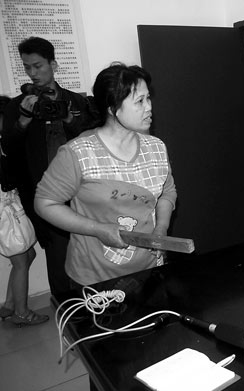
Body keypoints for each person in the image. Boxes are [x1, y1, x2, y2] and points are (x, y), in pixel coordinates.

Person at [34, 63, 177, 287]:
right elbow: (45, 203)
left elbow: (167, 192)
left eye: (148, 98)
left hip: (149, 269)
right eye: (139, 101)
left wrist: (161, 228)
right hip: (94, 277)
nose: (149, 107)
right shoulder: (78, 152)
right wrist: (98, 229)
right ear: (112, 108)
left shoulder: (156, 147)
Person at [1, 37, 91, 295]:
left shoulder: (75, 101)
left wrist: (69, 119)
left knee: (90, 253)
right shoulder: (17, 106)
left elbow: (92, 142)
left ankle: (95, 306)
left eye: (38, 66)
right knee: (58, 259)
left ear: (53, 64)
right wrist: (23, 120)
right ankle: (66, 310)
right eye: (27, 67)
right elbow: (8, 149)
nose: (32, 73)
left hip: (83, 193)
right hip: (45, 196)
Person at [0, 95, 49, 326]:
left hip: (9, 205)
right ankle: (21, 312)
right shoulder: (3, 143)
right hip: (5, 207)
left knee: (28, 255)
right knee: (21, 260)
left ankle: (10, 305)